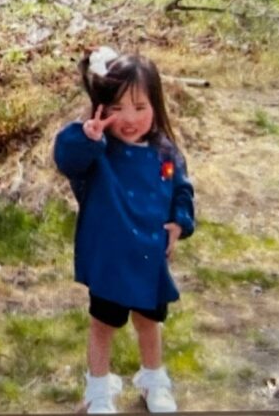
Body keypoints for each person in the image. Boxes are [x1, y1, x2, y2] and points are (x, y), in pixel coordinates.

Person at [54, 47, 195, 414]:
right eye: (116, 109)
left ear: (156, 105)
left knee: (149, 323)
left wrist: (179, 223)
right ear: (101, 110)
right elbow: (65, 158)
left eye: (139, 107)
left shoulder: (165, 153)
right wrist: (87, 135)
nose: (129, 119)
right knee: (104, 325)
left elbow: (180, 189)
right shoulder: (97, 153)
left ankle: (153, 380)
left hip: (149, 256)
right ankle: (98, 391)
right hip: (109, 259)